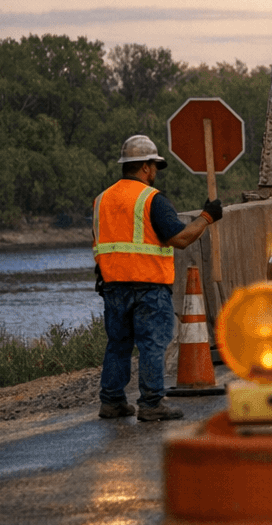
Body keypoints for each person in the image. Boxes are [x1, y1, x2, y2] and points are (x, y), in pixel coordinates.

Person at [93, 134, 221, 421]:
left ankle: (112, 401)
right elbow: (181, 238)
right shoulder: (152, 199)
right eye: (154, 167)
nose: (154, 174)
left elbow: (103, 244)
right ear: (146, 167)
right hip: (149, 286)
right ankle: (151, 404)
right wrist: (207, 217)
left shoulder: (101, 200)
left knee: (118, 344)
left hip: (113, 286)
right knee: (152, 344)